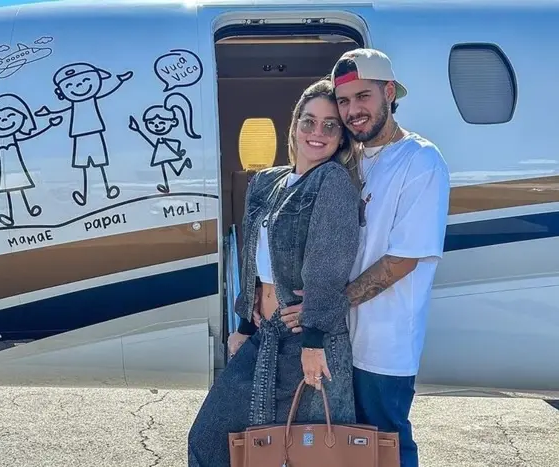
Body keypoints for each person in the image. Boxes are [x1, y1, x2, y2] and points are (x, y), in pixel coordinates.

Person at [278, 48, 451, 467]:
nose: (352, 110)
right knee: (339, 448)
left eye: (363, 96)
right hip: (338, 340)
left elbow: (402, 261)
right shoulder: (348, 158)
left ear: (388, 92)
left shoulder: (420, 160)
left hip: (383, 345)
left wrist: (328, 306)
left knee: (385, 445)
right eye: (343, 100)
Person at [187, 78, 362, 467]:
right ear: (295, 124)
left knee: (296, 455)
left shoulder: (331, 181)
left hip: (304, 340)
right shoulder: (267, 182)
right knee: (211, 439)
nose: (317, 132)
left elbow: (327, 263)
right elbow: (250, 257)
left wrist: (314, 342)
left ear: (341, 138)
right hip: (263, 333)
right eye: (309, 121)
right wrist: (244, 326)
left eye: (330, 125)